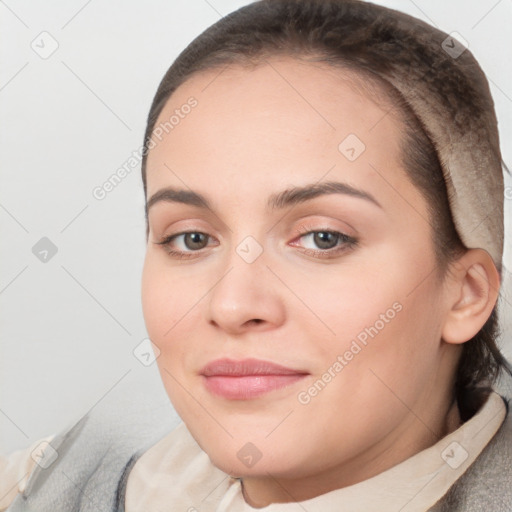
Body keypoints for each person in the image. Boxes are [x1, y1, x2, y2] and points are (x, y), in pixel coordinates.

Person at [2, 0, 511, 510]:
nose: (232, 305)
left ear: (466, 294)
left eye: (323, 238)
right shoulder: (51, 481)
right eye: (191, 239)